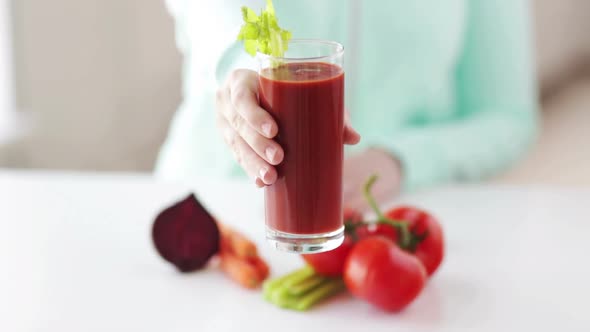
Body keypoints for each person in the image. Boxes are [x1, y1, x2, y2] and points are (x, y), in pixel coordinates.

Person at [155, 0, 538, 210]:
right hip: (218, 207)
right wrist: (243, 71)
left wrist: (400, 159)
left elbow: (507, 116)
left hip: (389, 225)